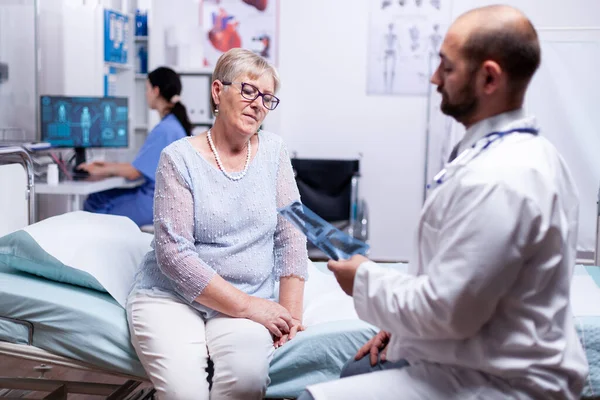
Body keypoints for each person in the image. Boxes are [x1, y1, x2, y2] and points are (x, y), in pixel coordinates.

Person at [299, 5, 588, 400]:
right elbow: (462, 275)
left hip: (499, 383)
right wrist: (401, 327)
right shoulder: (508, 153)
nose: (435, 78)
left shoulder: (503, 178)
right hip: (476, 349)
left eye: (447, 68)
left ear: (488, 78)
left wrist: (364, 279)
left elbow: (450, 312)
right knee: (355, 370)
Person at [126, 48, 308, 400]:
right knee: (184, 392)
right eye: (248, 90)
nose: (258, 103)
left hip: (249, 297)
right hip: (172, 297)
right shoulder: (178, 158)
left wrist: (290, 317)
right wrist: (249, 306)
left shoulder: (274, 152)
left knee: (247, 379)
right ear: (217, 92)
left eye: (267, 98)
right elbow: (174, 255)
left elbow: (292, 234)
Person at [79, 67, 191, 226]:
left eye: (147, 89)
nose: (145, 94)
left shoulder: (166, 129)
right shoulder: (173, 125)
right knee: (98, 197)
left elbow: (134, 173)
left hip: (155, 200)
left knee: (96, 207)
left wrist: (101, 170)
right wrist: (107, 165)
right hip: (162, 196)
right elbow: (140, 168)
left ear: (156, 90)